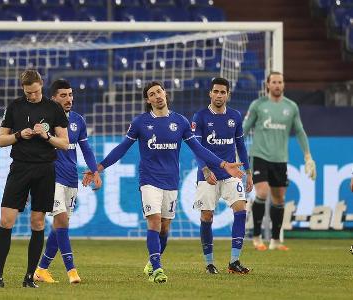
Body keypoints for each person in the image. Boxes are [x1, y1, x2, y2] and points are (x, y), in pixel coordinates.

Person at [83, 81, 244, 283]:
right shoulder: (140, 122)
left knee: (165, 228)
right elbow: (122, 148)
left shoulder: (181, 122)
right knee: (155, 221)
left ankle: (152, 261)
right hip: (149, 180)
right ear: (148, 100)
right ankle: (158, 269)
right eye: (152, 94)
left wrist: (222, 164)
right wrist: (100, 167)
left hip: (171, 181)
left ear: (165, 94)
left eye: (159, 91)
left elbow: (199, 149)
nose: (157, 96)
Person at [0, 70, 69, 288]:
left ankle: (29, 278)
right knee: (6, 220)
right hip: (20, 168)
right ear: (23, 89)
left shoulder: (54, 108)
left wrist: (46, 136)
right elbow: (1, 140)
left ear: (41, 85)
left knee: (37, 223)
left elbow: (64, 143)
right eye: (28, 93)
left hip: (45, 169)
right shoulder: (15, 107)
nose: (33, 96)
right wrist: (19, 135)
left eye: (35, 92)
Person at [33, 79, 102, 284]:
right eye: (63, 95)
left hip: (71, 178)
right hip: (50, 178)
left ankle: (41, 269)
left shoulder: (78, 121)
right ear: (53, 98)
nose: (69, 99)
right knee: (61, 221)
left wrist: (94, 170)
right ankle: (72, 271)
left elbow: (86, 149)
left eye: (70, 94)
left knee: (60, 225)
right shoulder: (43, 121)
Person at [243, 71, 316, 251]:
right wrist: (234, 150)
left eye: (280, 82)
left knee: (279, 197)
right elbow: (244, 129)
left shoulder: (291, 107)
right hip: (259, 155)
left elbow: (300, 131)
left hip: (280, 159)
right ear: (267, 85)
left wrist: (308, 155)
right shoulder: (258, 105)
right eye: (274, 82)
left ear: (283, 85)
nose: (277, 85)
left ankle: (275, 240)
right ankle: (257, 237)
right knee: (262, 192)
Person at [191, 77, 253, 274]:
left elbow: (241, 146)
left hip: (230, 174)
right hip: (208, 174)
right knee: (207, 216)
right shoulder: (200, 117)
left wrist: (249, 173)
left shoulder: (235, 116)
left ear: (228, 94)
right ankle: (209, 263)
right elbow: (197, 148)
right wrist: (205, 170)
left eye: (222, 92)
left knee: (241, 210)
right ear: (210, 93)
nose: (219, 95)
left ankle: (234, 262)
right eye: (215, 91)